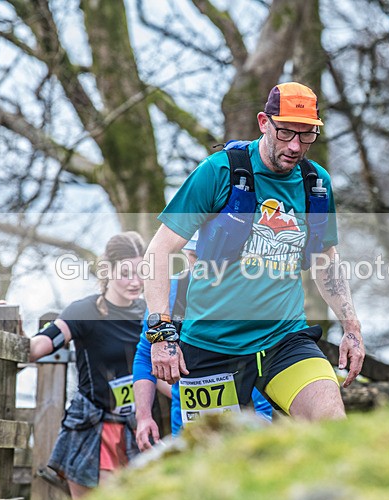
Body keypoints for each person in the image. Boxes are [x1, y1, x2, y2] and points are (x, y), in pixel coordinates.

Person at [143, 82, 365, 424]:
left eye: (307, 135)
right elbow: (158, 252)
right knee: (216, 465)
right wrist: (160, 332)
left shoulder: (315, 183)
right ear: (264, 122)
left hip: (283, 339)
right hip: (211, 345)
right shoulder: (219, 171)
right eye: (286, 132)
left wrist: (351, 327)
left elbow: (325, 260)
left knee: (331, 420)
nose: (295, 146)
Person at [28, 231, 146, 499]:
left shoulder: (149, 314)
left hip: (137, 427)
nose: (135, 281)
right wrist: (11, 331)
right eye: (126, 273)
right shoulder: (85, 311)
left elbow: (162, 376)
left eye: (142, 272)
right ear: (108, 270)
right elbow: (39, 346)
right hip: (94, 427)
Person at [132, 237, 272, 450]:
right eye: (195, 257)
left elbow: (275, 351)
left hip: (250, 421)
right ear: (185, 254)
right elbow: (144, 354)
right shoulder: (167, 294)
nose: (201, 267)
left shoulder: (253, 292)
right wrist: (143, 416)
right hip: (188, 430)